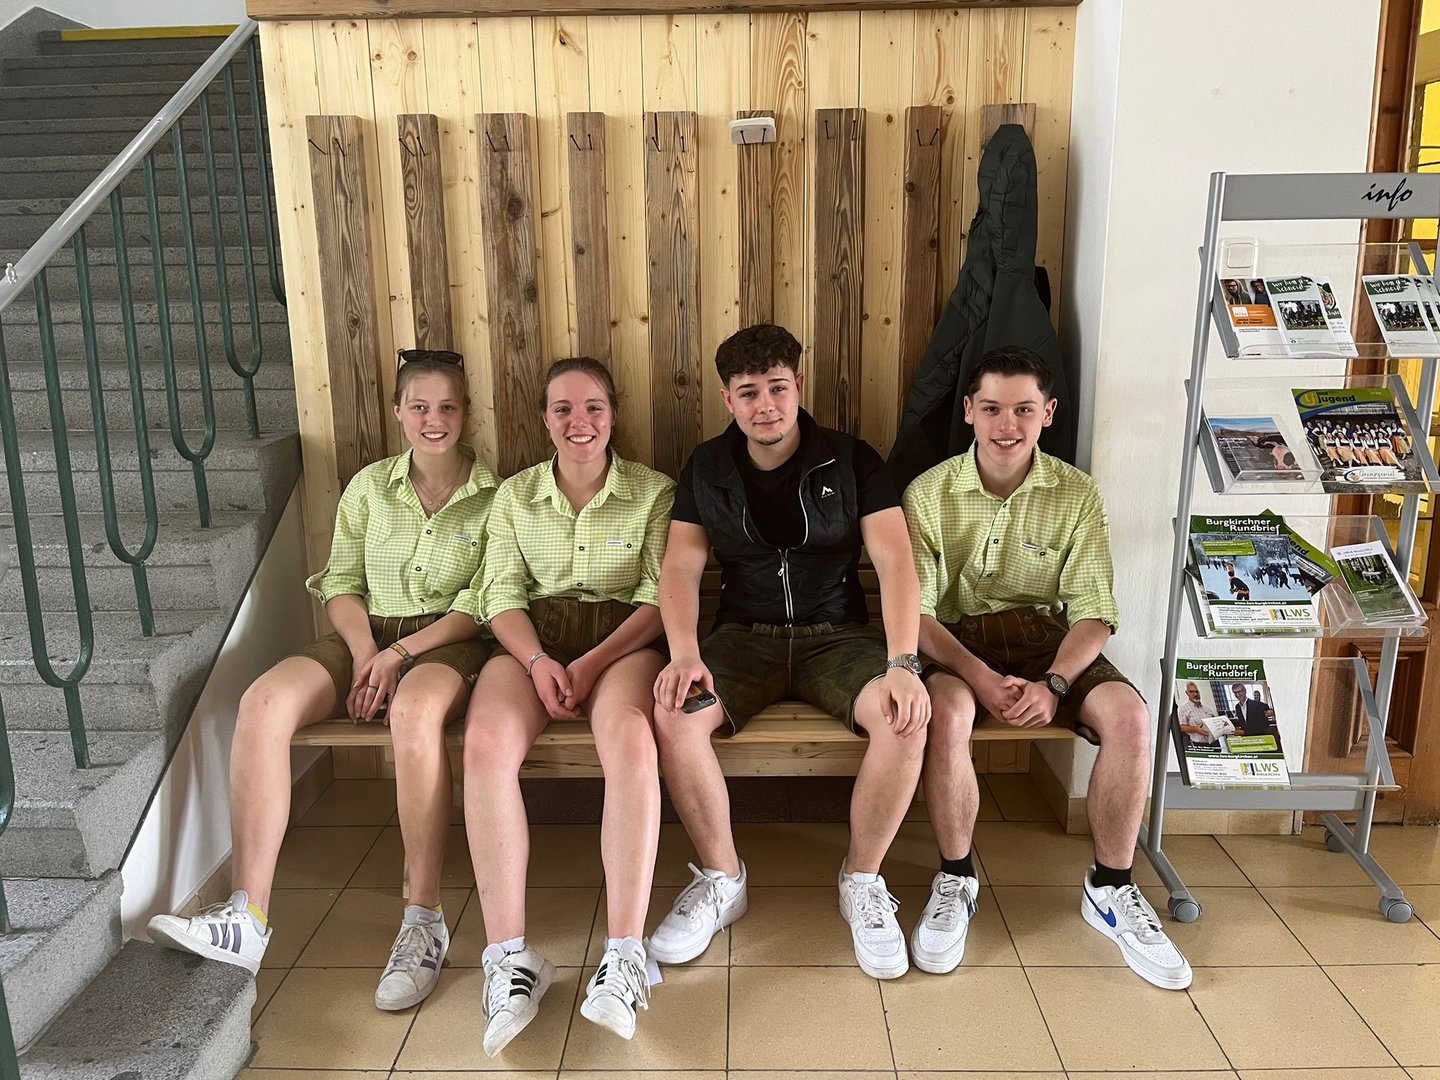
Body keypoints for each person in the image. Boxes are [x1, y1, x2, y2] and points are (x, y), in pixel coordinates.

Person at [149, 350, 499, 1012]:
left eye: (447, 407)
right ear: (398, 413)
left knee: (414, 713)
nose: (434, 420)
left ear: (466, 414)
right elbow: (340, 583)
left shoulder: (496, 495)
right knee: (262, 702)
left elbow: (483, 604)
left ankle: (422, 921)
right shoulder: (369, 488)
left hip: (450, 641)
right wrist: (367, 651)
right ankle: (247, 917)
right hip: (364, 635)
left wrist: (399, 657)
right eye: (419, 407)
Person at [902, 344, 1192, 990]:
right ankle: (956, 878)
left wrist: (1055, 682)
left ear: (1048, 413)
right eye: (992, 409)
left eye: (1024, 410)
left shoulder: (1077, 492)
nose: (1007, 425)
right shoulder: (928, 493)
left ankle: (1110, 886)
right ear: (969, 411)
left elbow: (1094, 612)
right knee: (946, 712)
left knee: (1131, 716)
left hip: (1048, 641)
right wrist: (980, 678)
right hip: (958, 641)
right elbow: (916, 616)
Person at [648, 323, 930, 980]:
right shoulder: (708, 468)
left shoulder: (852, 460)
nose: (765, 405)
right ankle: (723, 878)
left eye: (777, 387)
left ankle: (862, 879)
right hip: (743, 637)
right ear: (728, 400)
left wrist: (903, 663)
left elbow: (895, 562)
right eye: (748, 393)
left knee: (904, 716)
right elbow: (681, 566)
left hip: (839, 636)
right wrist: (684, 653)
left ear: (798, 385)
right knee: (675, 714)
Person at [463, 358, 675, 1053]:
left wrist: (588, 664)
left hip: (622, 641)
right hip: (534, 641)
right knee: (485, 743)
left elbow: (658, 598)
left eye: (593, 408)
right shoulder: (516, 495)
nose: (579, 422)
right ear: (545, 419)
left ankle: (625, 955)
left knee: (631, 737)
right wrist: (538, 661)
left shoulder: (653, 492)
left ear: (613, 415)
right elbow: (500, 593)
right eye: (563, 409)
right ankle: (509, 959)